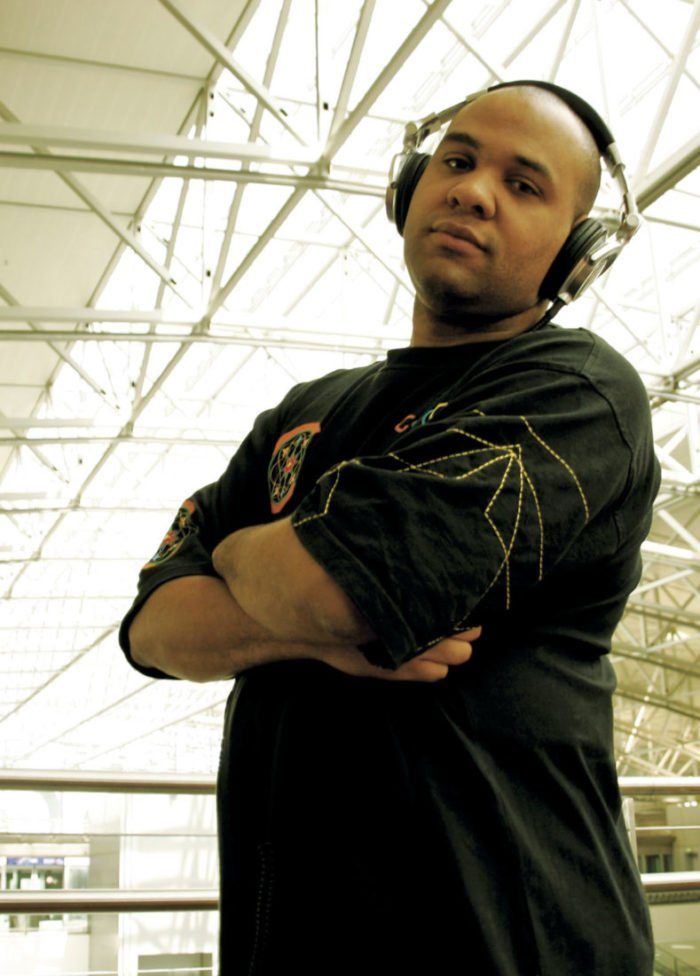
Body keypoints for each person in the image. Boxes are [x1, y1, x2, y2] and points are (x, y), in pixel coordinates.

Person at [119, 81, 658, 975]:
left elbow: (330, 592)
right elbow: (152, 630)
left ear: (577, 256)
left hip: (511, 947)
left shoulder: (577, 393)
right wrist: (309, 632)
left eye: (524, 185)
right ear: (410, 188)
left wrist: (240, 551)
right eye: (457, 159)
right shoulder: (303, 413)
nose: (473, 190)